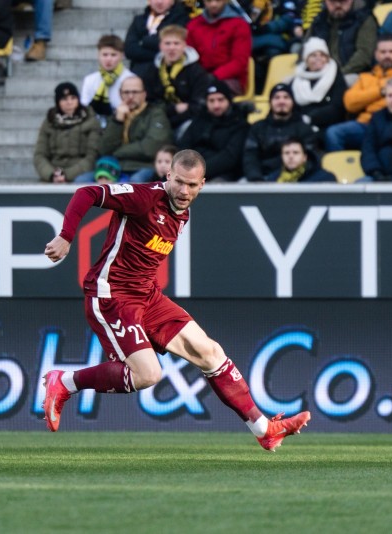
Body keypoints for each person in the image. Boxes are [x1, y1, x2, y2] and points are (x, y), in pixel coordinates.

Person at [41, 149, 311, 450]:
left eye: (192, 185)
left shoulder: (183, 211)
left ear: (202, 185)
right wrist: (66, 235)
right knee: (148, 374)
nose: (184, 191)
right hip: (111, 295)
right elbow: (87, 192)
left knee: (209, 352)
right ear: (168, 176)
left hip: (148, 296)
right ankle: (64, 382)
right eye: (179, 182)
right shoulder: (144, 198)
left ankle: (264, 430)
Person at [325, 34, 392, 151]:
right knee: (334, 133)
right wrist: (380, 91)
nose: (387, 55)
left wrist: (368, 101)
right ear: (376, 54)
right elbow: (350, 103)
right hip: (367, 124)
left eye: (391, 52)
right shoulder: (365, 77)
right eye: (383, 52)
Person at [76, 76, 172, 182]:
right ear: (120, 94)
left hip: (143, 166)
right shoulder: (117, 114)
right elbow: (104, 149)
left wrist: (117, 152)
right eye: (126, 92)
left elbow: (150, 148)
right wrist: (118, 121)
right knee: (81, 181)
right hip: (113, 166)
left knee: (136, 181)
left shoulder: (156, 114)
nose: (130, 96)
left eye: (135, 92)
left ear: (144, 94)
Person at [136, 24, 212, 138]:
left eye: (176, 43)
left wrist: (173, 115)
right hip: (159, 119)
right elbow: (149, 101)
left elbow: (198, 105)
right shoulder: (152, 70)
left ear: (184, 46)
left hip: (188, 120)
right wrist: (174, 109)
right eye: (167, 43)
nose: (172, 48)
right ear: (161, 46)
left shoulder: (196, 71)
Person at [241, 83, 316, 181]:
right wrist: (256, 179)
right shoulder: (258, 127)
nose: (281, 101)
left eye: (286, 97)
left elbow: (310, 158)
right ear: (270, 102)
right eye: (276, 97)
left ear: (293, 102)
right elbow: (250, 156)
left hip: (296, 179)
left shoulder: (304, 129)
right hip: (261, 178)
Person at [176, 81, 248, 181]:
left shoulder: (240, 124)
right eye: (211, 101)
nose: (216, 105)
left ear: (229, 101)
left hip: (223, 175)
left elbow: (229, 158)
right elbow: (184, 146)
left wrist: (197, 171)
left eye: (220, 100)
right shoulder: (199, 120)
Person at [33, 81, 101, 183]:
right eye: (64, 99)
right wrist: (51, 174)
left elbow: (92, 156)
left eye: (73, 98)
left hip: (81, 173)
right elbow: (40, 155)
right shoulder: (49, 122)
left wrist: (67, 175)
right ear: (57, 102)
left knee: (81, 181)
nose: (69, 102)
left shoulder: (91, 121)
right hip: (54, 172)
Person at [186, 0, 252, 95]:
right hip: (200, 77)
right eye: (209, 1)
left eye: (218, 0)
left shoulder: (239, 25)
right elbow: (190, 57)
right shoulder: (193, 25)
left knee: (207, 93)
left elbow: (239, 62)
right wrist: (200, 77)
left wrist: (214, 76)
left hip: (230, 79)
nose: (213, 4)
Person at [305, 0, 377, 83]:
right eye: (333, 2)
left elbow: (364, 54)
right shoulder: (318, 21)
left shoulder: (364, 19)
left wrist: (338, 74)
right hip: (321, 73)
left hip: (353, 73)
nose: (338, 5)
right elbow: (305, 51)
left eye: (343, 1)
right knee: (289, 83)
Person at [288, 36, 346, 132]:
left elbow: (337, 107)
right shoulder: (296, 80)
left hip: (328, 125)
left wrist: (310, 118)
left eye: (322, 55)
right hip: (300, 125)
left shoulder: (336, 76)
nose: (318, 58)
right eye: (313, 55)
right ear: (306, 59)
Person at [80, 34, 135, 128]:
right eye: (104, 55)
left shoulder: (131, 79)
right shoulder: (90, 80)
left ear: (121, 56)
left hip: (122, 126)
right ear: (98, 55)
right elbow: (84, 107)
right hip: (95, 127)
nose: (108, 59)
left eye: (113, 55)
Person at [125, 0, 190, 73]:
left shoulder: (181, 19)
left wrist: (144, 41)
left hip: (166, 72)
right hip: (139, 72)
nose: (159, 2)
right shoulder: (139, 20)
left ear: (172, 1)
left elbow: (170, 46)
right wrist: (159, 55)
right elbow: (129, 50)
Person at [266, 136, 335, 182]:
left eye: (296, 153)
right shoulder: (273, 179)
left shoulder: (324, 178)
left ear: (304, 157)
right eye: (286, 153)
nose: (291, 156)